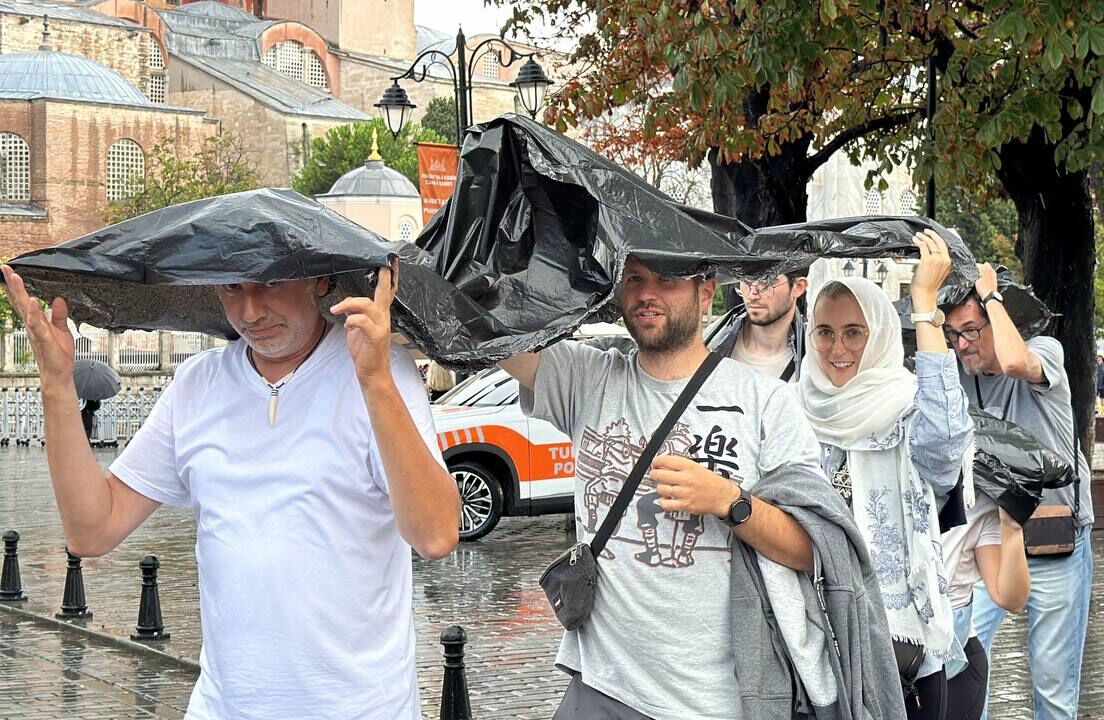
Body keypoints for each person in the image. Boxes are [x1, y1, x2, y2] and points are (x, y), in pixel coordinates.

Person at [0, 263, 460, 719]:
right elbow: (92, 530)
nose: (251, 310)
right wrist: (56, 386)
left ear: (320, 278)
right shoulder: (198, 384)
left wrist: (374, 381)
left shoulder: (382, 371)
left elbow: (436, 534)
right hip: (223, 707)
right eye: (233, 286)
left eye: (273, 283)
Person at [500, 256, 903, 720]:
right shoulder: (586, 378)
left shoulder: (764, 401)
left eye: (668, 279)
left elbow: (815, 550)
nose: (647, 293)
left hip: (717, 702)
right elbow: (483, 327)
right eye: (634, 279)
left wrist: (729, 502)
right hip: (601, 689)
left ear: (707, 292)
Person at [797, 229, 970, 719]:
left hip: (899, 651)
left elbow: (947, 441)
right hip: (810, 650)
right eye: (825, 332)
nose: (838, 348)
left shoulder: (907, 408)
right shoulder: (794, 408)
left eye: (854, 331)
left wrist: (923, 307)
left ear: (880, 335)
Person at [941, 263, 1094, 720]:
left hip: (1055, 543)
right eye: (953, 334)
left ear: (998, 317)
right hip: (990, 544)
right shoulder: (957, 378)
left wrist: (990, 295)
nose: (963, 343)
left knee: (1052, 687)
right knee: (966, 673)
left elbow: (1013, 362)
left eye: (971, 330)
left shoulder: (1042, 350)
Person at [941, 497, 1031, 720]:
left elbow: (1011, 598)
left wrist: (1012, 528)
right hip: (888, 649)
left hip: (955, 658)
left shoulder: (978, 496)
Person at [705, 269, 807, 382]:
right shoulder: (711, 341)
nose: (753, 295)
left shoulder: (813, 364)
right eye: (746, 279)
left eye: (767, 281)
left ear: (798, 287)